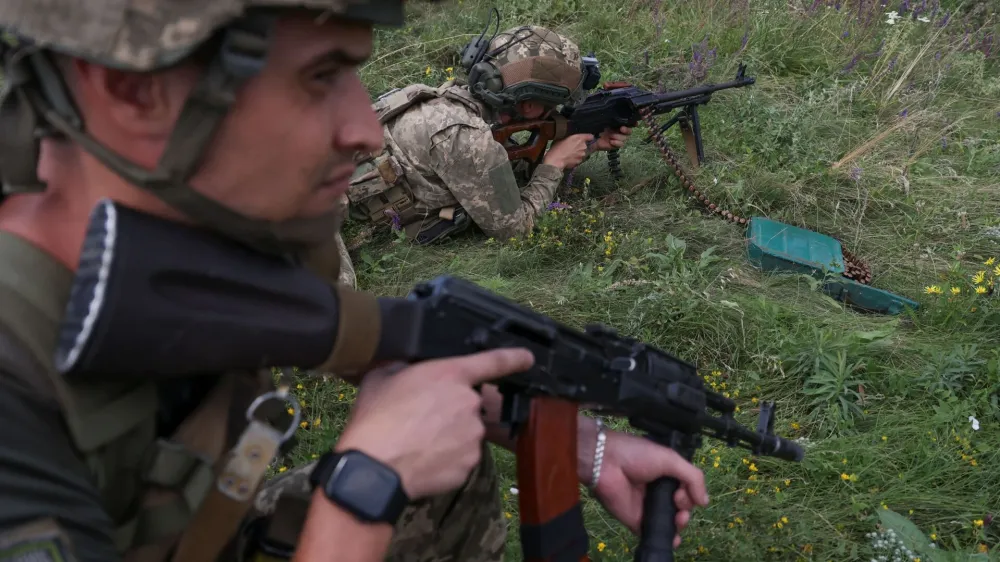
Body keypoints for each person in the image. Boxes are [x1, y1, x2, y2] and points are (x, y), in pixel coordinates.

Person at [0, 4, 708, 562]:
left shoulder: (200, 243)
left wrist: (584, 442)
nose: (366, 131)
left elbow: (376, 339)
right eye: (319, 77)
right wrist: (368, 483)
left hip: (203, 531)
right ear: (132, 92)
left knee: (448, 457)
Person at [345, 25, 631, 248]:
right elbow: (516, 231)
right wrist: (554, 164)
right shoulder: (468, 139)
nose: (556, 113)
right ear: (529, 105)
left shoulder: (456, 104)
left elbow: (499, 179)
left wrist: (589, 145)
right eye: (554, 106)